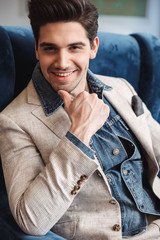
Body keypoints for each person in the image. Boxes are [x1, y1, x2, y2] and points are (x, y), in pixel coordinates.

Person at [0, 0, 160, 239]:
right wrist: (78, 135)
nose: (62, 62)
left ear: (93, 47)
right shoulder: (14, 120)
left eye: (74, 47)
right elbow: (30, 219)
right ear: (36, 49)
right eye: (50, 48)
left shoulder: (121, 89)